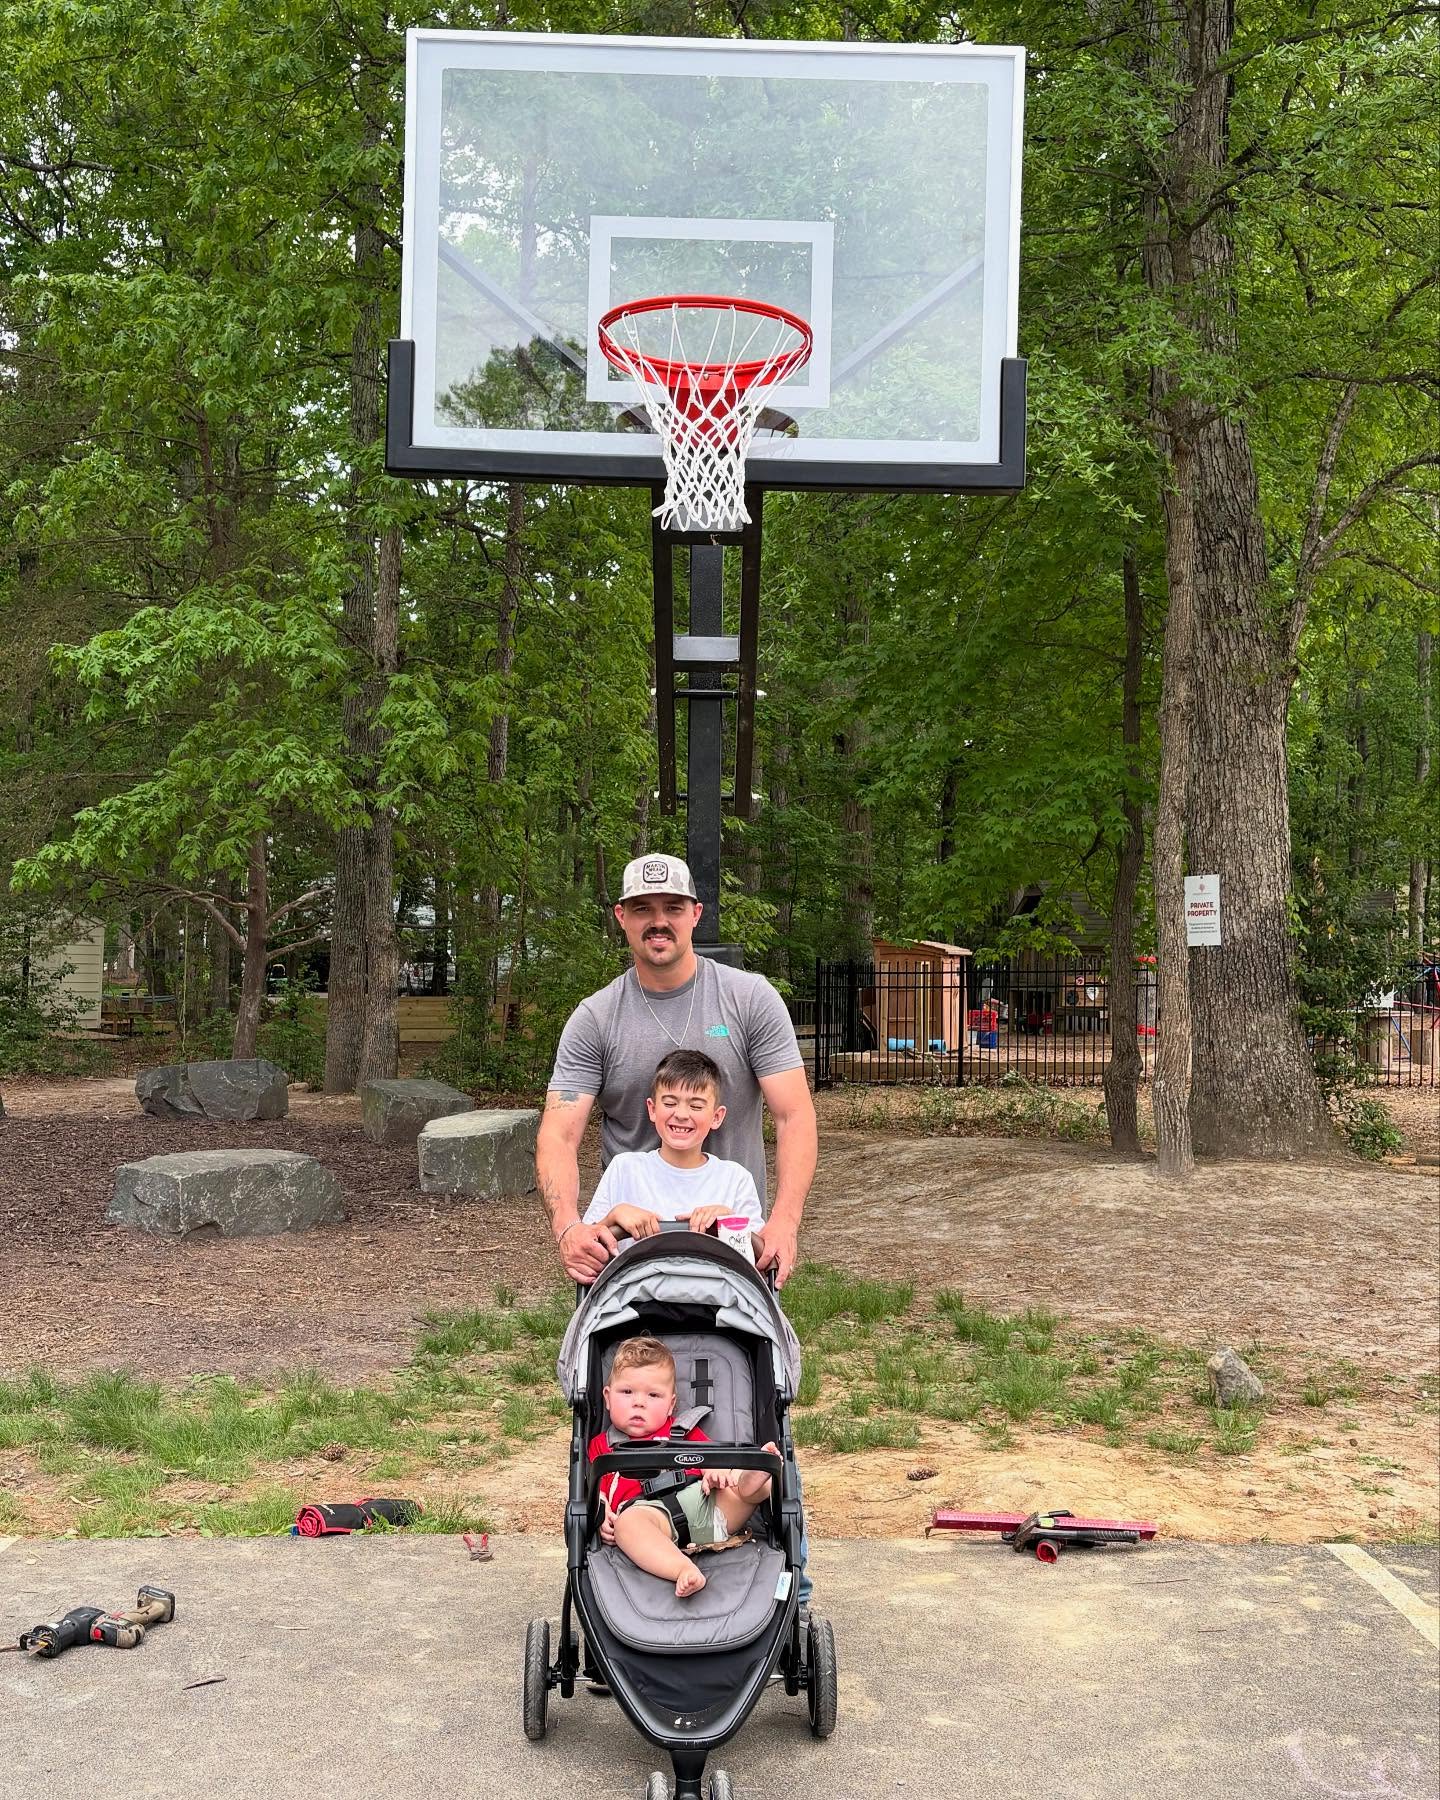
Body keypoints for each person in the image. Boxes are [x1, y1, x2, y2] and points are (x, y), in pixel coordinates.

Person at [536, 852, 817, 1289]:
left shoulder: (750, 1000)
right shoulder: (595, 1019)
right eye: (642, 908)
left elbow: (793, 1115)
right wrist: (569, 1227)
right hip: (630, 1257)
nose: (659, 921)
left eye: (673, 907)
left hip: (730, 1248)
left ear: (695, 915)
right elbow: (559, 1133)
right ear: (621, 917)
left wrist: (784, 1222)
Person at [589, 1335, 777, 1598]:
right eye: (627, 1392)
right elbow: (593, 1489)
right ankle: (683, 1569)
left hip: (705, 1506)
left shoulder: (682, 1432)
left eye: (653, 1395)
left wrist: (716, 1470)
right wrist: (601, 1511)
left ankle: (755, 1478)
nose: (638, 1402)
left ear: (671, 1405)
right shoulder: (602, 1446)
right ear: (608, 1398)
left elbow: (713, 1458)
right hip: (649, 1514)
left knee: (744, 1481)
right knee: (627, 1526)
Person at [582, 1048, 763, 1243]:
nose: (682, 1114)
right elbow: (585, 1246)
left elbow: (759, 1255)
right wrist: (613, 1217)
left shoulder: (736, 1179)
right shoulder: (624, 1169)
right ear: (652, 1109)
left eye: (696, 1106)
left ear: (716, 1117)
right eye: (669, 1103)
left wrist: (731, 1222)